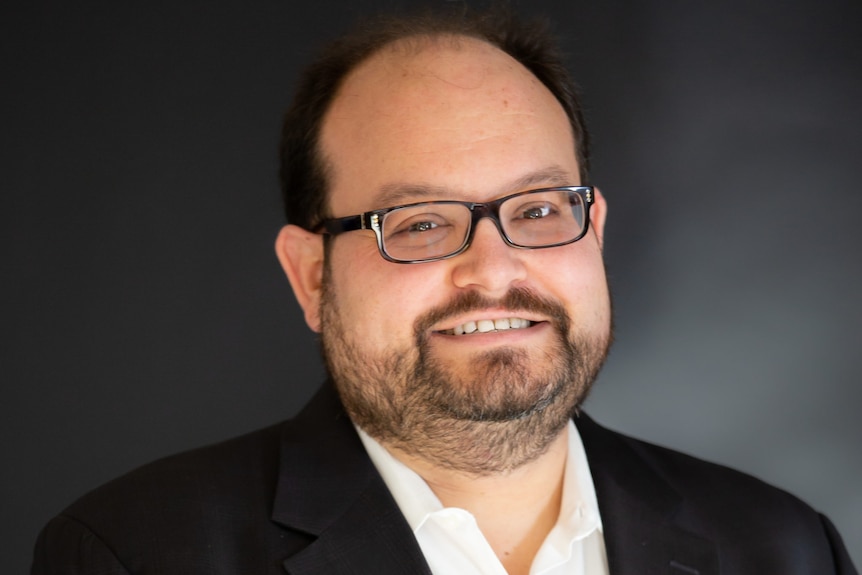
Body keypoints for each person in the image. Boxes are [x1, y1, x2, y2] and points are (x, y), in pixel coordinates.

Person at [31, 6, 857, 575]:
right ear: (312, 275)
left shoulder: (784, 548)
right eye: (420, 222)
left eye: (538, 209)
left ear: (593, 232)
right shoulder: (131, 553)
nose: (493, 270)